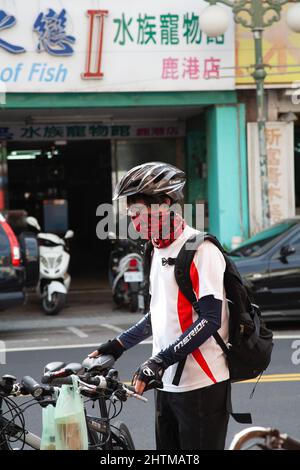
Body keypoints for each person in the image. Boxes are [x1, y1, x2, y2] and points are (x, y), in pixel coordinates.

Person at [88, 162, 231, 450]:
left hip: (201, 385)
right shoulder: (154, 248)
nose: (135, 221)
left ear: (165, 203)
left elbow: (210, 319)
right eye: (131, 214)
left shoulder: (200, 249)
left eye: (140, 212)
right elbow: (159, 314)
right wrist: (118, 345)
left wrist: (159, 361)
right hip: (166, 385)